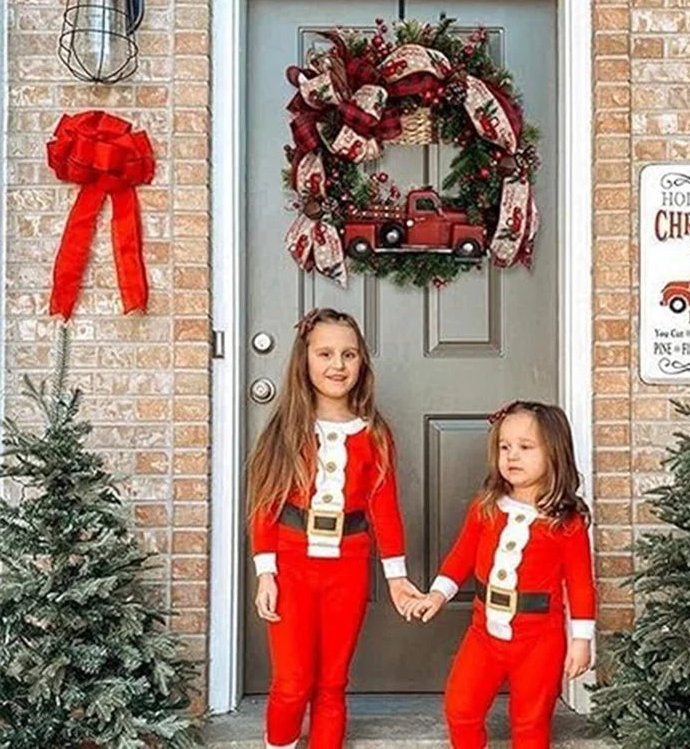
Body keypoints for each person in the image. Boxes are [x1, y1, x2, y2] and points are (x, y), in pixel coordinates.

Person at [247, 307, 422, 749]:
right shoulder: (285, 431)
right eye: (325, 353)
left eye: (349, 354)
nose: (337, 365)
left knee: (331, 682)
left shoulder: (376, 435)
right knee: (291, 682)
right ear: (304, 361)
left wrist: (397, 580)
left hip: (348, 568)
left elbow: (386, 510)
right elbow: (265, 505)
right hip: (291, 566)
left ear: (362, 363)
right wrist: (265, 572)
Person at [406, 400, 596, 749]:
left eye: (525, 447)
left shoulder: (566, 522)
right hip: (484, 633)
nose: (511, 456)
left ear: (554, 453)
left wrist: (582, 640)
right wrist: (437, 594)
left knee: (530, 723)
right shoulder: (487, 505)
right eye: (504, 447)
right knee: (460, 708)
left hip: (541, 639)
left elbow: (581, 584)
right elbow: (461, 556)